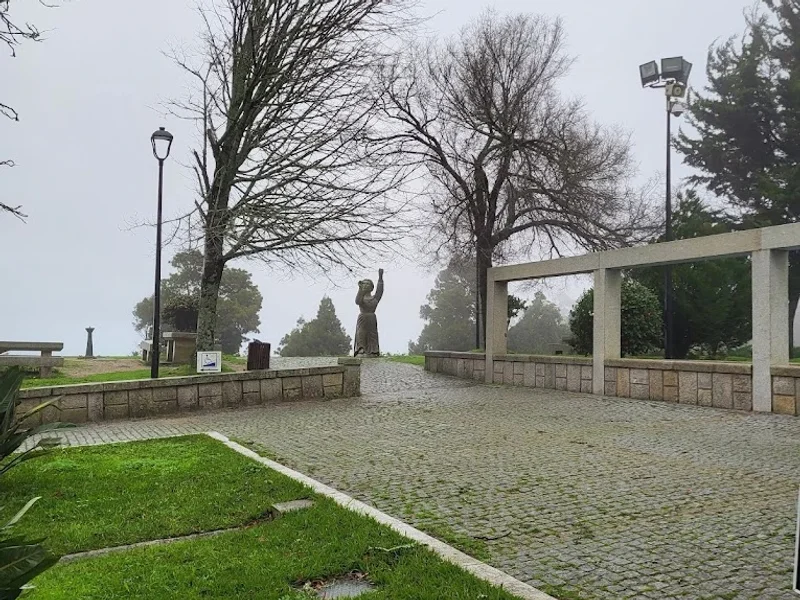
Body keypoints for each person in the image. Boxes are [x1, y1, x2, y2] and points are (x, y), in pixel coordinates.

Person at [354, 269, 384, 357]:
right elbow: (357, 301)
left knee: (372, 333)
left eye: (368, 284)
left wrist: (380, 278)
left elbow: (380, 291)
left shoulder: (375, 298)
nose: (366, 285)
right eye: (364, 283)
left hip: (372, 317)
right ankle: (361, 349)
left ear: (372, 287)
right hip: (363, 317)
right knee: (361, 333)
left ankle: (373, 350)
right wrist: (360, 290)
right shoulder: (361, 298)